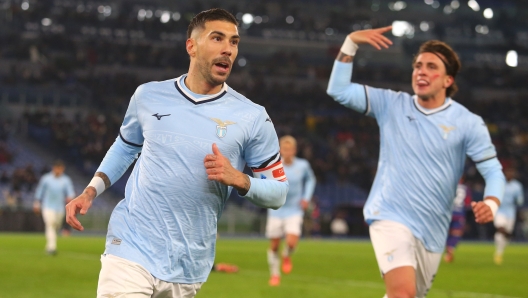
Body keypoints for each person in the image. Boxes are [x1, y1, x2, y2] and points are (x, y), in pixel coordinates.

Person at [65, 8, 288, 298]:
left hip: (188, 263)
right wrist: (91, 191)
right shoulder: (148, 96)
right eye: (217, 38)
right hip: (131, 245)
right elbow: (126, 146)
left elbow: (279, 193)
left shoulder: (252, 117)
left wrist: (241, 180)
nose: (228, 49)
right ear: (191, 46)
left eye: (234, 42)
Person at [327, 26, 506, 298]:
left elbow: (492, 169)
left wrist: (492, 202)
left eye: (431, 66)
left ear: (448, 80)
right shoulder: (391, 104)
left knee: (410, 295)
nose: (421, 71)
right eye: (418, 65)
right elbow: (338, 90)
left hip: (433, 230)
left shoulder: (468, 123)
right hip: (389, 214)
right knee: (403, 294)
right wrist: (350, 42)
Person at [266, 135, 316, 286]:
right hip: (276, 209)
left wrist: (306, 197)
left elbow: (311, 179)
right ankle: (275, 275)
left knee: (292, 242)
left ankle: (286, 254)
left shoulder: (303, 165)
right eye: (284, 149)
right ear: (280, 150)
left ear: (294, 150)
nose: (287, 152)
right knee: (274, 245)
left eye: (290, 149)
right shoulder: (274, 166)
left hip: (294, 210)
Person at [33, 160, 75, 255]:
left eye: (61, 169)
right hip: (47, 206)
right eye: (58, 168)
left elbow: (70, 192)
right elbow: (40, 191)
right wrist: (36, 203)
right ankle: (52, 247)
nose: (60, 171)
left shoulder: (66, 180)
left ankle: (51, 243)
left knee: (56, 225)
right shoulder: (46, 179)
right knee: (50, 223)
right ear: (54, 168)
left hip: (60, 208)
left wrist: (70, 198)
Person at [494, 166, 524, 265]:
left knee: (504, 236)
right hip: (499, 211)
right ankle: (510, 235)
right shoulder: (499, 184)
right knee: (500, 228)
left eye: (511, 173)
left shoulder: (517, 186)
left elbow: (520, 201)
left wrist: (517, 200)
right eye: (508, 173)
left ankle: (499, 253)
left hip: (511, 212)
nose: (509, 175)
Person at [444, 181, 470, 263]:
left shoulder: (448, 185)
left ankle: (447, 249)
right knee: (456, 233)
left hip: (447, 212)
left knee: (445, 232)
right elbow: (467, 203)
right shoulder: (465, 188)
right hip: (459, 213)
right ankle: (450, 249)